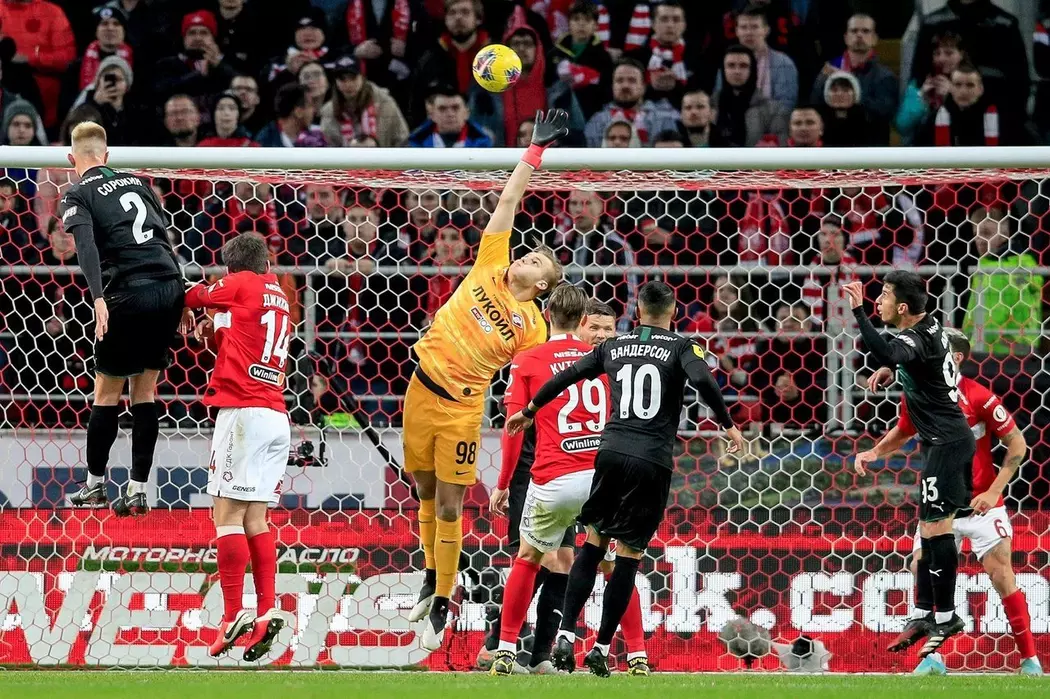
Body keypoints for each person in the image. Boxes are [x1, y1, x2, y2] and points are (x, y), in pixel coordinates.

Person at [506, 280, 744, 676]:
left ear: (638, 313)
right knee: (627, 557)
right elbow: (703, 381)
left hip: (610, 454)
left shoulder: (614, 347)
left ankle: (565, 634)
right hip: (651, 461)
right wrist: (728, 425)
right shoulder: (683, 347)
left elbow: (567, 377)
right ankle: (602, 647)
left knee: (592, 545)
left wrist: (530, 409)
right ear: (673, 312)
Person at [403, 109, 568, 651]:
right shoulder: (490, 264)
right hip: (420, 389)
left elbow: (533, 381)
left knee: (451, 504)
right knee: (424, 493)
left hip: (462, 408)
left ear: (542, 286)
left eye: (538, 262)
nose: (527, 257)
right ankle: (430, 576)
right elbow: (508, 201)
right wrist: (533, 151)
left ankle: (442, 600)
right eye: (530, 252)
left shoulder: (533, 327)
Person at [857, 329, 1041, 677]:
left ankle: (1030, 660)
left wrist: (993, 492)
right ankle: (933, 659)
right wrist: (875, 452)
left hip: (982, 504)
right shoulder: (919, 394)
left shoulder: (980, 397)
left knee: (1002, 575)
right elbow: (904, 429)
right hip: (940, 504)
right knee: (922, 567)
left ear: (954, 358)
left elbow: (1017, 445)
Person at [481, 298, 644, 675]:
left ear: (546, 316)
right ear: (583, 321)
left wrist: (502, 483)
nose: (600, 335)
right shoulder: (613, 363)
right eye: (595, 328)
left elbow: (513, 427)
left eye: (607, 329)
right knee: (614, 564)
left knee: (530, 558)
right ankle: (636, 653)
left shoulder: (529, 359)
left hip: (551, 479)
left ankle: (506, 649)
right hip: (602, 480)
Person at [61, 122, 190, 515]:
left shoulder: (78, 193)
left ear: (71, 159)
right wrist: (182, 295)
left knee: (106, 393)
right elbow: (163, 237)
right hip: (168, 287)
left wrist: (98, 297)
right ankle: (138, 490)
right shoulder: (137, 182)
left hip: (128, 293)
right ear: (107, 155)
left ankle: (94, 487)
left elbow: (85, 246)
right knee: (145, 391)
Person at [843, 272, 973, 659]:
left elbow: (890, 352)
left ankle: (946, 616)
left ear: (902, 307)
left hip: (948, 443)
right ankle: (922, 613)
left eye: (883, 296)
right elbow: (907, 358)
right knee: (928, 533)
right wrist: (896, 369)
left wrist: (858, 312)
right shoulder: (929, 326)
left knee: (936, 530)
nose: (878, 301)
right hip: (940, 443)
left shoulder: (915, 338)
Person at [182, 232, 290, 662]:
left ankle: (231, 615)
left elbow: (193, 295)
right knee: (256, 519)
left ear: (232, 269)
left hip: (243, 414)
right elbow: (232, 332)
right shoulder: (277, 295)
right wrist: (213, 325)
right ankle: (265, 612)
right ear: (267, 263)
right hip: (276, 415)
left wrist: (198, 305)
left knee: (225, 516)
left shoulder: (240, 283)